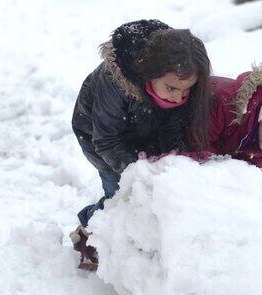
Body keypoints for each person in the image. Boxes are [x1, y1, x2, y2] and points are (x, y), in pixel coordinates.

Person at [70, 19, 211, 270]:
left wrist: (172, 159)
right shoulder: (113, 83)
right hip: (101, 139)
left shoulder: (177, 88)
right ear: (149, 74)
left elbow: (177, 126)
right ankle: (88, 234)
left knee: (154, 194)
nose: (179, 96)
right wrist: (137, 171)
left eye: (186, 90)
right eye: (171, 88)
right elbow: (107, 140)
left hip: (146, 133)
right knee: (120, 196)